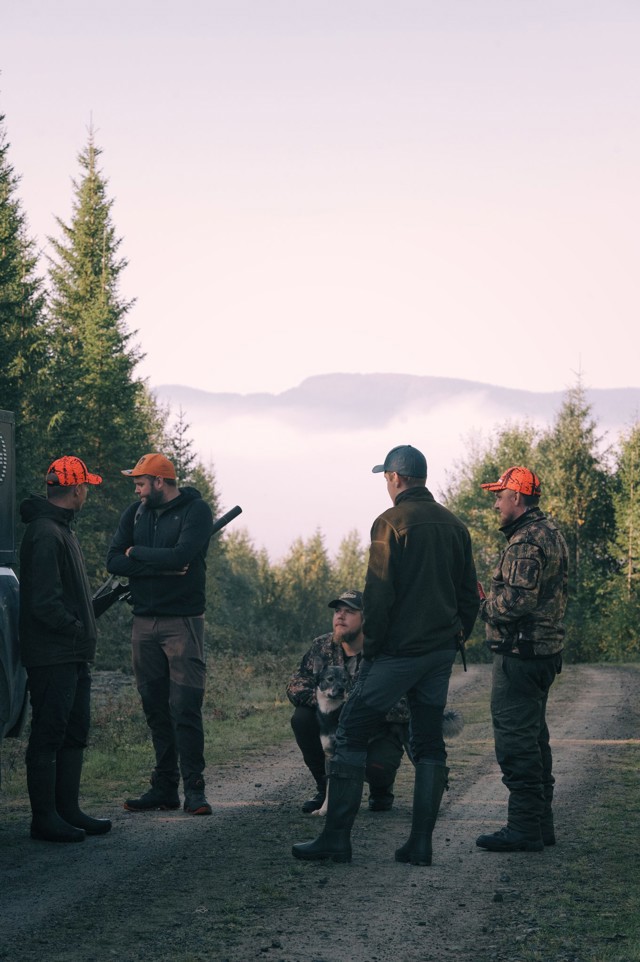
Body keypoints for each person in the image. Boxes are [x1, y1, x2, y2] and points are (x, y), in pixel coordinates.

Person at [292, 444, 479, 865]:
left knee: (352, 729)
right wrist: (456, 637)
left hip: (397, 653)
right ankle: (420, 844)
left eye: (386, 477)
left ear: (395, 478)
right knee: (429, 741)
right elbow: (470, 594)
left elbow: (378, 593)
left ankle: (336, 840)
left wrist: (372, 651)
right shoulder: (455, 525)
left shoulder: (390, 522)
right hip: (439, 653)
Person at [106, 453, 214, 815]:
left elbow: (183, 556)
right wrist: (157, 561)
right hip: (143, 622)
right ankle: (165, 788)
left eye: (140, 482)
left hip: (182, 623)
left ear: (160, 481)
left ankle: (194, 790)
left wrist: (137, 555)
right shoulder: (133, 513)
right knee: (155, 708)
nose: (136, 489)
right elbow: (113, 560)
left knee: (185, 707)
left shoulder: (196, 511)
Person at [475, 466, 568, 853]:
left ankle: (524, 828)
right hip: (542, 652)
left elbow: (518, 600)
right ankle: (539, 824)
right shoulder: (550, 532)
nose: (496, 503)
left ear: (517, 497)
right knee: (534, 738)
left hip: (521, 653)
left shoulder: (526, 542)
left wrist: (483, 606)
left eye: (500, 496)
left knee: (516, 741)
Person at [19, 455, 111, 843]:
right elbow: (44, 602)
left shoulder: (61, 529)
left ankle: (67, 811)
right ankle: (45, 819)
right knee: (49, 733)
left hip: (71, 654)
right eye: (85, 486)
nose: (86, 491)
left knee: (73, 732)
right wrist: (75, 630)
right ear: (76, 489)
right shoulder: (45, 532)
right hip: (53, 655)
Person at [287, 589, 409, 814]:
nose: (340, 616)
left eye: (350, 612)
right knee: (302, 718)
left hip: (375, 730)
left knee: (377, 767)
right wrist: (325, 699)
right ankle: (326, 789)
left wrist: (357, 706)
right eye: (337, 611)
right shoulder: (322, 646)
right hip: (332, 723)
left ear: (366, 619)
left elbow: (403, 702)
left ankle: (381, 789)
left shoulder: (384, 650)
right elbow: (296, 683)